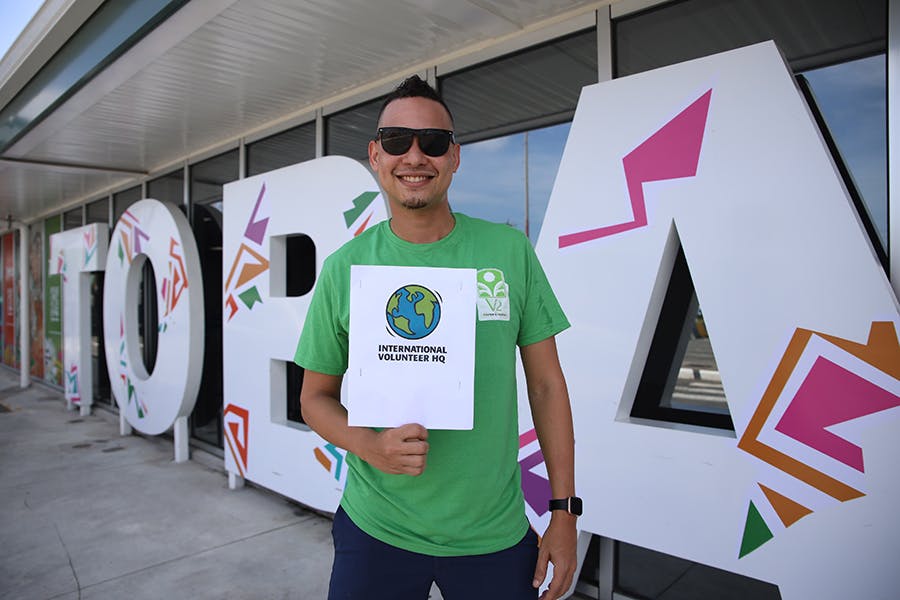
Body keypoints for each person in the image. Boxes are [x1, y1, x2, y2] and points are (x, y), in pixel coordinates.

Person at [294, 74, 579, 600]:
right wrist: (369, 445)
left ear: (455, 157)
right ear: (376, 156)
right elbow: (313, 398)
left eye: (434, 142)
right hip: (376, 528)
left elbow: (547, 388)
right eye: (399, 141)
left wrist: (563, 512)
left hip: (492, 536)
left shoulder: (508, 252)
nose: (415, 156)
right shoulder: (344, 269)